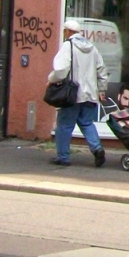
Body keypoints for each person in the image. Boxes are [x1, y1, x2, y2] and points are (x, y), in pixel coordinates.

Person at [49, 20, 109, 167]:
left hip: (72, 94)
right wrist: (101, 89)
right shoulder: (92, 48)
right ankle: (97, 149)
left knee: (64, 125)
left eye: (65, 31)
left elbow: (60, 70)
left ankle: (63, 157)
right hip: (90, 94)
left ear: (67, 31)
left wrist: (51, 80)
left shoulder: (68, 46)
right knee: (87, 123)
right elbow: (101, 70)